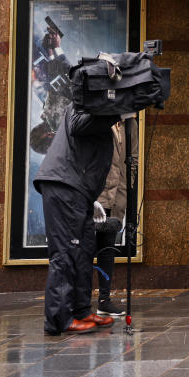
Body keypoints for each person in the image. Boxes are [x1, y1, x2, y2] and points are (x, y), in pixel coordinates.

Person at [34, 104, 120, 335]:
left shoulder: (96, 110)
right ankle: (59, 320)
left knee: (84, 251)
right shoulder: (86, 104)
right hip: (65, 186)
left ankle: (81, 310)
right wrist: (112, 110)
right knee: (65, 253)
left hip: (78, 190)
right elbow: (78, 124)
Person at [93, 118, 132, 316]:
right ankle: (78, 300)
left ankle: (104, 300)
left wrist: (126, 195)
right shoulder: (100, 121)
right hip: (97, 197)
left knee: (107, 249)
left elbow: (131, 162)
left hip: (117, 197)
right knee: (86, 248)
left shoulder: (129, 126)